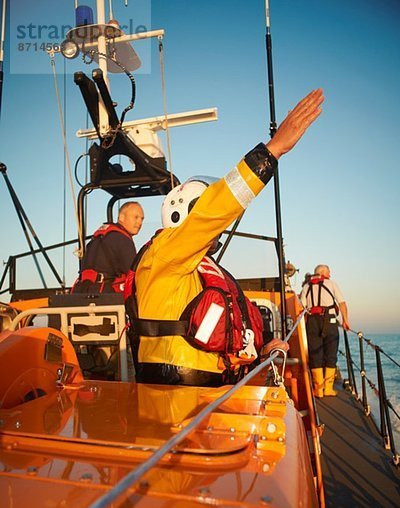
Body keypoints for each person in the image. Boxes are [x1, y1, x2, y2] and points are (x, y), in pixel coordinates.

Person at [127, 89, 324, 386]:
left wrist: (261, 349)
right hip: (175, 402)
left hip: (216, 391)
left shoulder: (198, 268)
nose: (215, 227)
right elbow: (214, 210)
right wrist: (271, 152)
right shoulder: (164, 253)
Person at [300, 264, 350, 397]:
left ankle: (318, 389)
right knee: (331, 353)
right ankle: (328, 388)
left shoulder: (306, 286)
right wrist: (345, 321)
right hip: (330, 320)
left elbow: (302, 307)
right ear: (323, 273)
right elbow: (342, 303)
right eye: (329, 272)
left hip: (312, 322)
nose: (330, 275)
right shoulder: (331, 283)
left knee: (315, 354)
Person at [72, 201, 144, 294]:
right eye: (136, 217)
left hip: (80, 292)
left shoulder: (98, 237)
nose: (139, 222)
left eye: (142, 219)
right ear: (121, 217)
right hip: (104, 296)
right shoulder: (123, 240)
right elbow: (135, 274)